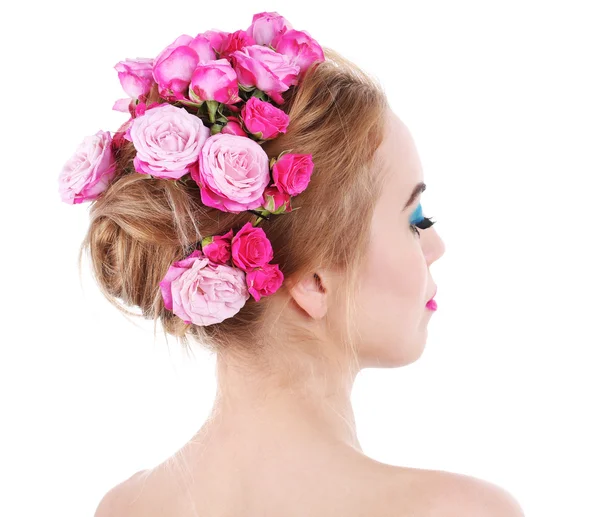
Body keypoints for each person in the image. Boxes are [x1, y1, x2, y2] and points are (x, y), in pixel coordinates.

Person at [61, 12, 524, 517]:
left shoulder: (126, 508)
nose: (435, 244)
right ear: (314, 282)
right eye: (415, 217)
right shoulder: (456, 510)